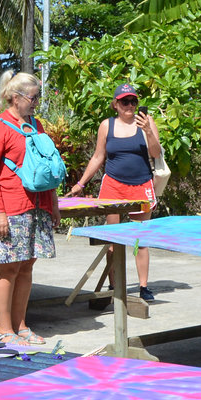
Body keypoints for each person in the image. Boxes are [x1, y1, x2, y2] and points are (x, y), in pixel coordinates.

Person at [0, 71, 61, 346]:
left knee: (26, 266)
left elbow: (47, 167)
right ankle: (4, 330)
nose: (36, 102)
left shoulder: (36, 126)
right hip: (10, 208)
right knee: (8, 268)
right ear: (15, 97)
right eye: (33, 97)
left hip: (37, 206)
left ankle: (21, 325)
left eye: (38, 97)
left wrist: (54, 205)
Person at [68, 82, 162, 301]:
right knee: (114, 238)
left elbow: (156, 153)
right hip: (113, 185)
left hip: (141, 185)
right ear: (116, 104)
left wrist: (148, 131)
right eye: (124, 101)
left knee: (141, 238)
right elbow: (98, 156)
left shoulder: (147, 123)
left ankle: (143, 286)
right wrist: (81, 183)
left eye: (133, 101)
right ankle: (114, 285)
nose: (129, 105)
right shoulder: (106, 126)